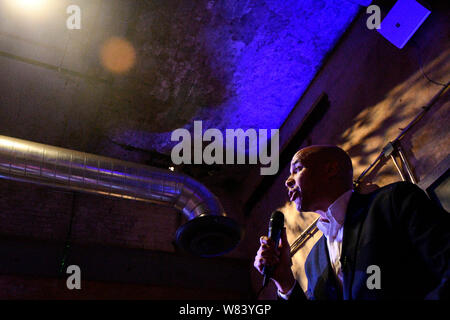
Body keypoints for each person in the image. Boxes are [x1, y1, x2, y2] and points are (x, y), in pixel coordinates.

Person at [254, 145, 449, 300]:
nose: (287, 181)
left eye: (297, 169)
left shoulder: (394, 202)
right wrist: (285, 281)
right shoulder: (314, 261)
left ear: (330, 169)